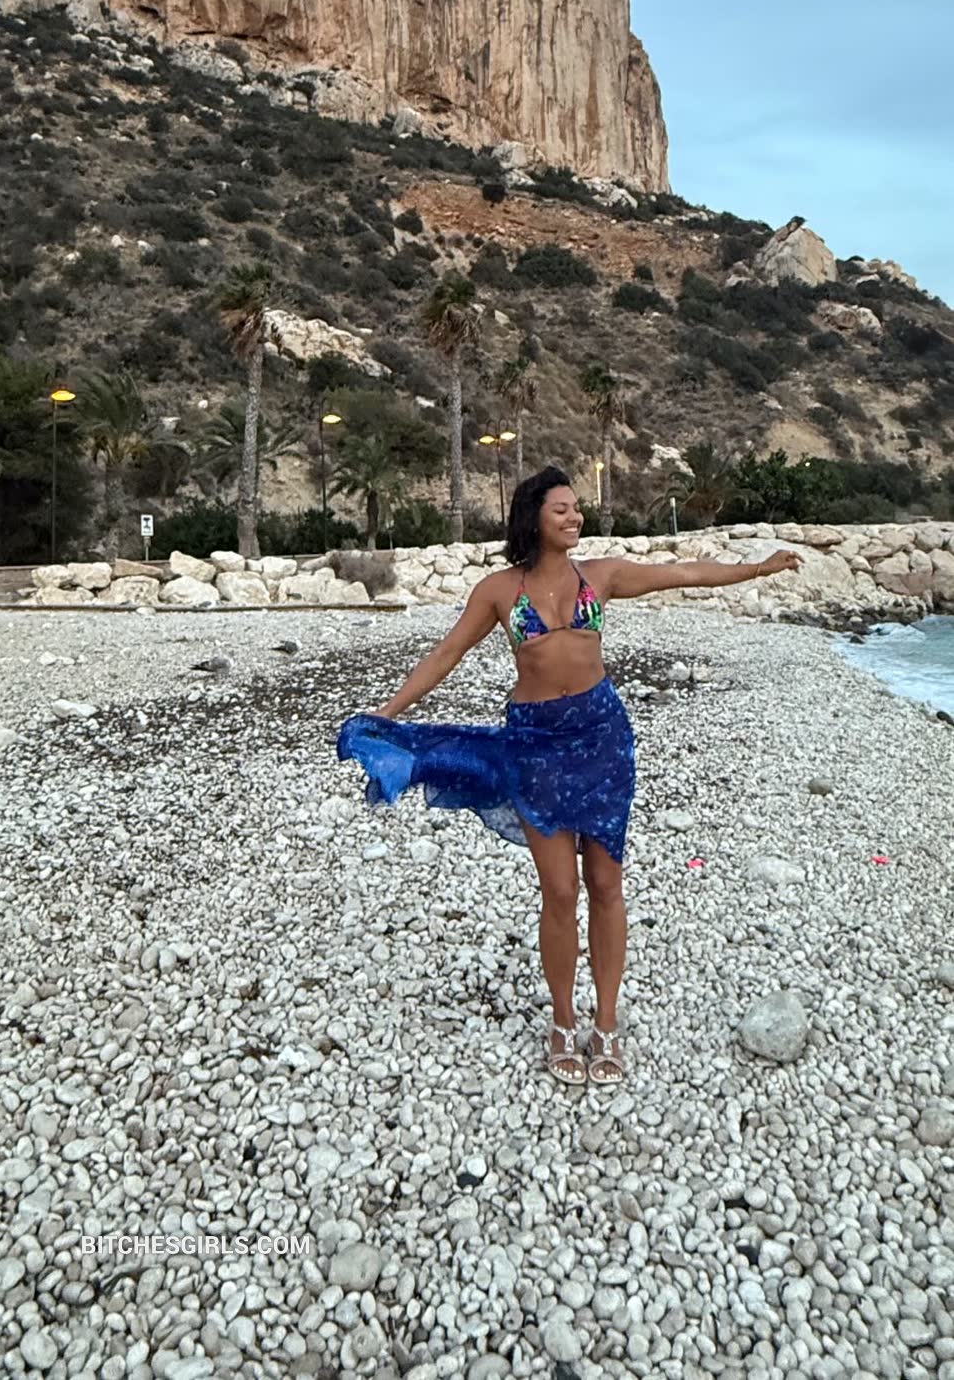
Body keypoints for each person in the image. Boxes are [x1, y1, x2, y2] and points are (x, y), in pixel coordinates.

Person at [337, 465, 802, 1088]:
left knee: (605, 883)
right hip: (537, 746)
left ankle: (606, 1022)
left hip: (602, 740)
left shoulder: (601, 576)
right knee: (559, 891)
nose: (574, 517)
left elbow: (685, 573)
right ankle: (563, 1020)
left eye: (577, 508)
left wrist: (757, 569)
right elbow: (446, 654)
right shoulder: (499, 590)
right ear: (533, 518)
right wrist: (387, 714)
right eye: (561, 509)